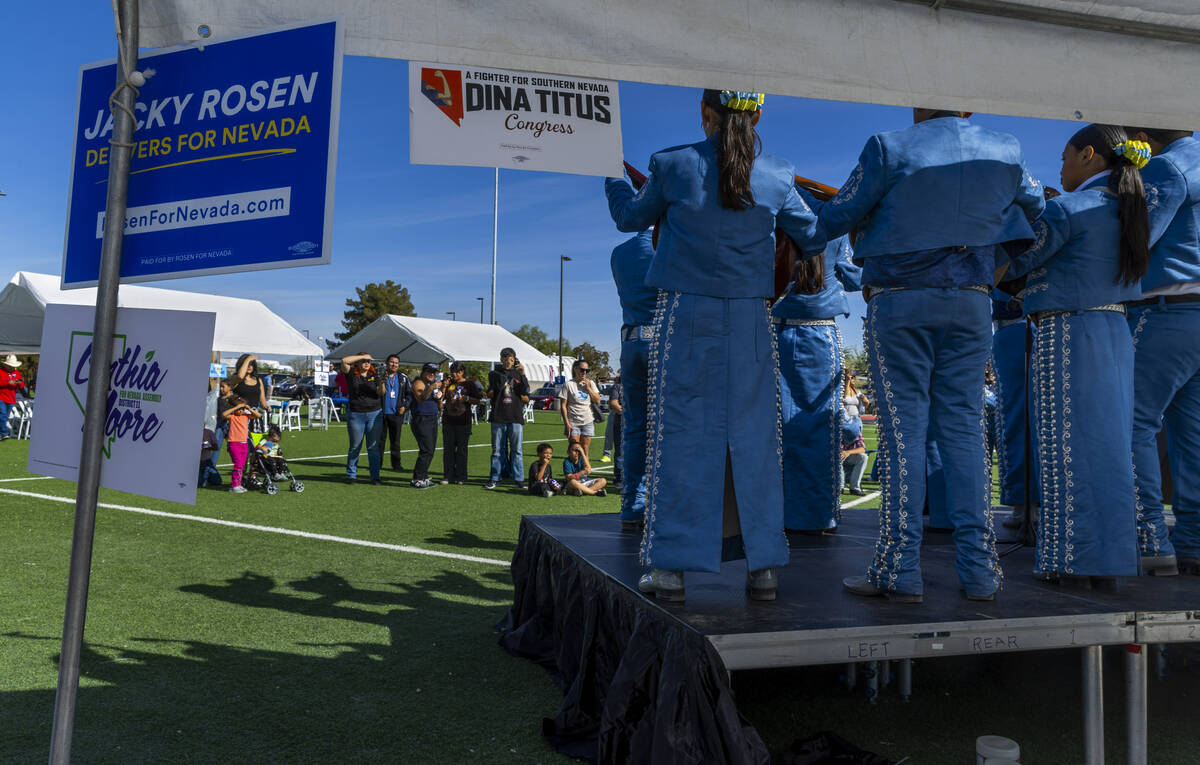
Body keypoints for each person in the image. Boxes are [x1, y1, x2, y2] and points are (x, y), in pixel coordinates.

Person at [605, 88, 826, 603]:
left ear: (705, 112)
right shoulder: (777, 173)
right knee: (755, 441)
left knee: (681, 435)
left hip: (687, 314)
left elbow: (629, 219)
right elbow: (814, 234)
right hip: (752, 316)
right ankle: (763, 566)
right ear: (759, 115)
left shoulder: (674, 163)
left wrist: (611, 174)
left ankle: (671, 569)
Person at [821, 107, 1045, 603]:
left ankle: (899, 568)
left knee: (905, 434)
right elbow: (1035, 209)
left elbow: (834, 216)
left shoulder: (889, 145)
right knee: (965, 433)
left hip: (901, 297)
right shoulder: (1007, 148)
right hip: (972, 298)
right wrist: (994, 252)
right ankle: (981, 571)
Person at [1004, 124, 1149, 582]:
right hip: (1114, 328)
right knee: (1109, 447)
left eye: (1066, 157)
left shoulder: (1069, 209)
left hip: (1070, 328)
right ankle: (1110, 558)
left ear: (1089, 155)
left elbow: (1016, 262)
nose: (1061, 167)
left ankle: (1071, 559)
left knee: (1066, 444)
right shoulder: (1131, 209)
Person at [1123, 126, 1200, 576]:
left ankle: (1149, 537)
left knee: (1130, 422)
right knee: (1192, 436)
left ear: (1142, 133)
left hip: (1166, 310)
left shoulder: (1168, 166)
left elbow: (1135, 237)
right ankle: (1191, 540)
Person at [773, 229, 862, 533]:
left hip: (780, 334)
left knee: (780, 428)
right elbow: (854, 279)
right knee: (823, 428)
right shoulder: (834, 235)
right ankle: (819, 514)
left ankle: (784, 512)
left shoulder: (775, 230)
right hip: (821, 332)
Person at [610, 230, 658, 530]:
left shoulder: (620, 253)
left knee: (635, 430)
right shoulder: (672, 244)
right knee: (674, 428)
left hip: (631, 343)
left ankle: (632, 505)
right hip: (665, 344)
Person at [486, 348, 530, 490]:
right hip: (499, 416)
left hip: (515, 417)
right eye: (505, 358)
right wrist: (506, 371)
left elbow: (525, 391)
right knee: (497, 450)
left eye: (510, 358)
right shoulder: (494, 373)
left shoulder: (519, 373)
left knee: (517, 451)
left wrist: (522, 374)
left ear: (514, 359)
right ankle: (494, 478)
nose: (507, 361)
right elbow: (497, 386)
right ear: (500, 359)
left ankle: (518, 479)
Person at [340, 352, 384, 485]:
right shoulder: (352, 373)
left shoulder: (374, 375)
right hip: (356, 414)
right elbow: (344, 360)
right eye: (364, 361)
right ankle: (352, 475)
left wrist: (382, 382)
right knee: (355, 446)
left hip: (374, 413)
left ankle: (375, 476)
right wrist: (363, 356)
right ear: (358, 362)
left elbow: (381, 393)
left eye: (369, 361)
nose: (367, 363)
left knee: (373, 448)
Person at [440, 362, 483, 484]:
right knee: (448, 450)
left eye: (456, 371)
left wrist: (467, 399)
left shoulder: (469, 384)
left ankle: (461, 476)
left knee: (462, 450)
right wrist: (443, 386)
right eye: (452, 371)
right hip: (448, 420)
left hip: (463, 421)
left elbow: (479, 401)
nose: (453, 374)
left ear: (462, 372)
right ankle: (448, 476)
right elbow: (440, 398)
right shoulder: (449, 383)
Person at [558, 359, 602, 457]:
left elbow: (597, 400)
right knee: (574, 450)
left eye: (587, 370)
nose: (584, 372)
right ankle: (573, 471)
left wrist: (588, 388)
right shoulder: (568, 384)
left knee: (585, 448)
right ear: (575, 369)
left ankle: (585, 471)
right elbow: (563, 406)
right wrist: (567, 423)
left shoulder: (590, 383)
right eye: (582, 370)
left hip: (588, 420)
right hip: (573, 422)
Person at [219, 385, 259, 494]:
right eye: (239, 409)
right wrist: (237, 407)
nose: (241, 411)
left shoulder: (246, 416)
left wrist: (248, 408)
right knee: (238, 465)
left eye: (242, 409)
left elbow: (258, 415)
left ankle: (238, 483)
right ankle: (234, 485)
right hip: (234, 444)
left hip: (244, 444)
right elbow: (223, 414)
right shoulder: (232, 417)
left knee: (241, 465)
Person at [407, 363, 441, 489]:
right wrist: (432, 388)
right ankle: (417, 479)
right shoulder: (418, 383)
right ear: (423, 372)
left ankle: (423, 476)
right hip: (422, 419)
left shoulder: (428, 384)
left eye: (434, 372)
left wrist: (438, 397)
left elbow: (434, 401)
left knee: (430, 449)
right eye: (429, 371)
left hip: (432, 418)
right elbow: (421, 399)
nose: (432, 374)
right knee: (426, 449)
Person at [379, 355, 411, 472]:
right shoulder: (381, 376)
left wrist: (405, 406)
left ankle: (396, 464)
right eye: (392, 362)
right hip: (381, 414)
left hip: (396, 414)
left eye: (396, 363)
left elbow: (409, 395)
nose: (394, 364)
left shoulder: (403, 378)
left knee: (395, 441)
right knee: (380, 441)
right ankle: (378, 463)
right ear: (387, 363)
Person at [0, 355, 24, 440]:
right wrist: (7, 382)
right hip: (1, 398)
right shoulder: (0, 372)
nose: (12, 368)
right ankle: (4, 433)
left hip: (11, 399)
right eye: (10, 366)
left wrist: (18, 382)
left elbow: (21, 383)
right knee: (2, 415)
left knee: (5, 417)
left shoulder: (17, 373)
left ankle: (1, 433)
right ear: (6, 365)